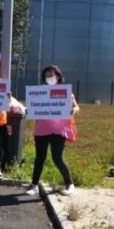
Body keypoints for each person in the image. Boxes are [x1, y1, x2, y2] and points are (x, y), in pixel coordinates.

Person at [26, 65, 79, 196]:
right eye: (47, 75)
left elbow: (76, 106)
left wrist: (74, 110)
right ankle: (34, 185)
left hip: (58, 130)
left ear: (58, 76)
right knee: (40, 158)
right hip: (41, 129)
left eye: (52, 74)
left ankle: (69, 183)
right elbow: (32, 106)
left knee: (57, 158)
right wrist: (28, 110)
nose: (50, 77)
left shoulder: (65, 92)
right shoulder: (39, 91)